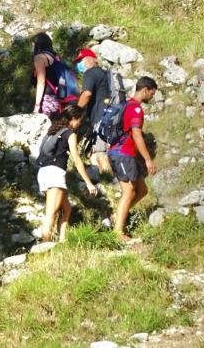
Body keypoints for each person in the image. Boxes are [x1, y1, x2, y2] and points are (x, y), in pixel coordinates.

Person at [36, 105, 100, 243]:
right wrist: (89, 183)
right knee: (51, 213)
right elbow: (77, 160)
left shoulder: (52, 131)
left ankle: (63, 241)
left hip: (43, 173)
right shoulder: (70, 134)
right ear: (73, 119)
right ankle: (44, 246)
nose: (80, 124)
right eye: (79, 120)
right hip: (55, 173)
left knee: (66, 209)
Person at [109, 76, 159, 243]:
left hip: (125, 154)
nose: (152, 97)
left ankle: (117, 216)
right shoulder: (136, 109)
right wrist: (148, 160)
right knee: (129, 191)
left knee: (142, 190)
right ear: (145, 90)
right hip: (122, 153)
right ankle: (117, 232)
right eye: (152, 93)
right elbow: (137, 134)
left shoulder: (127, 105)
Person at [75, 49, 118, 197]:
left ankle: (111, 190)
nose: (81, 64)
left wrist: (76, 112)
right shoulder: (104, 74)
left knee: (100, 154)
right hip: (110, 118)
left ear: (92, 58)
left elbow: (87, 94)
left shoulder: (91, 73)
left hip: (101, 119)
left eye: (82, 60)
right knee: (95, 153)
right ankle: (105, 186)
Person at [31, 32, 63, 117]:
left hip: (47, 99)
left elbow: (41, 82)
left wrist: (37, 106)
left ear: (37, 44)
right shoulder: (55, 55)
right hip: (58, 96)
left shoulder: (40, 58)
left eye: (33, 44)